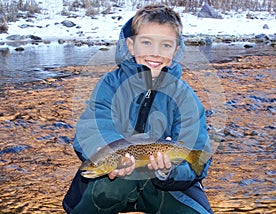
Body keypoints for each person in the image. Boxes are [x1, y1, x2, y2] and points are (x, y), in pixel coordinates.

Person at [63, 4, 213, 214]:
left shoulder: (185, 97)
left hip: (163, 185)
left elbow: (199, 158)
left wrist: (169, 171)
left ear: (176, 50)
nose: (155, 53)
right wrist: (101, 147)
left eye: (165, 45)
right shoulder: (110, 85)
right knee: (104, 185)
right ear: (131, 46)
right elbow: (92, 127)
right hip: (114, 180)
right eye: (146, 43)